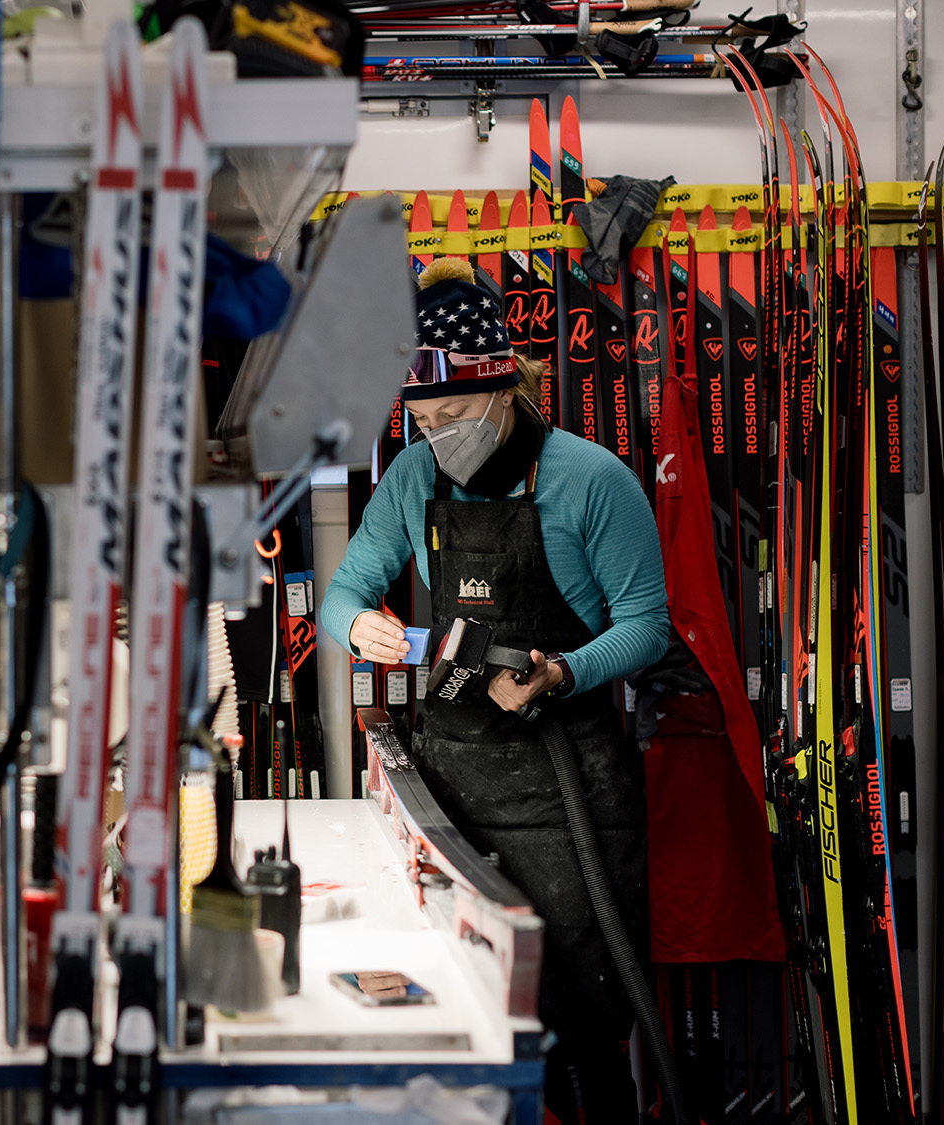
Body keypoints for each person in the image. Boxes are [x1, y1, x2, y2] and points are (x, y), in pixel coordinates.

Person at [320, 258, 670, 1123]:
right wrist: (355, 627)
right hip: (454, 797)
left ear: (507, 390)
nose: (439, 437)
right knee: (485, 1023)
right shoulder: (412, 479)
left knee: (586, 1025)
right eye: (424, 421)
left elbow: (648, 625)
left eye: (454, 417)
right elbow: (341, 595)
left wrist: (559, 671)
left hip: (572, 791)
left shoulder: (593, 481)